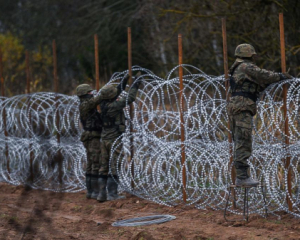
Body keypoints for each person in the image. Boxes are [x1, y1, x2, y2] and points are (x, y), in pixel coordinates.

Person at [227, 43, 292, 187]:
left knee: (241, 140)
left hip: (240, 106)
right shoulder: (245, 67)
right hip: (242, 107)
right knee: (243, 141)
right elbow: (263, 75)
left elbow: (256, 83)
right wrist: (280, 76)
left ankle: (242, 176)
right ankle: (242, 177)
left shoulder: (239, 68)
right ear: (249, 54)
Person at [76, 76, 130, 199]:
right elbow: (101, 98)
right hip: (92, 137)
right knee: (95, 164)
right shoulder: (85, 105)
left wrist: (121, 85)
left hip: (93, 136)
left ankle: (92, 192)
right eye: (90, 92)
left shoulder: (87, 104)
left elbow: (103, 97)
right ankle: (95, 192)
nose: (92, 93)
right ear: (84, 94)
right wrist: (106, 92)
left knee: (92, 164)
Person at [97, 71, 141, 202]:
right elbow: (130, 98)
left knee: (104, 167)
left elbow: (116, 91)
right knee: (114, 165)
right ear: (111, 96)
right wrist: (136, 84)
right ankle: (112, 194)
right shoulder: (114, 106)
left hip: (103, 139)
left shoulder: (103, 103)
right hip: (113, 139)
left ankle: (101, 194)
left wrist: (125, 79)